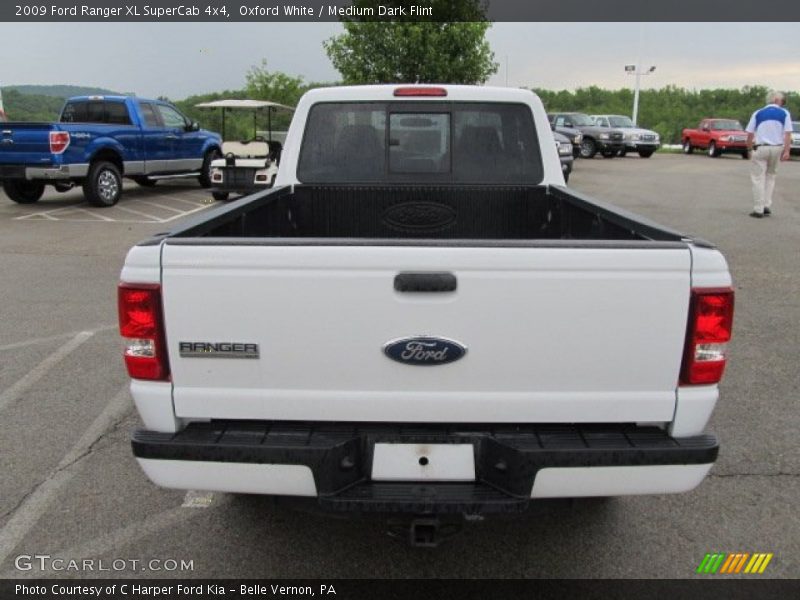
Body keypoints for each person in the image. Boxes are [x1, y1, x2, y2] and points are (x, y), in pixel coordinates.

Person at [745, 90, 792, 218]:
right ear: (776, 100)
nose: (782, 104)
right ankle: (766, 205)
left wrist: (749, 149)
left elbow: (749, 134)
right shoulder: (784, 113)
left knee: (758, 178)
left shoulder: (758, 113)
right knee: (771, 177)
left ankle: (758, 208)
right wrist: (787, 151)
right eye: (782, 101)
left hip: (761, 148)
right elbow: (787, 134)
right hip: (777, 148)